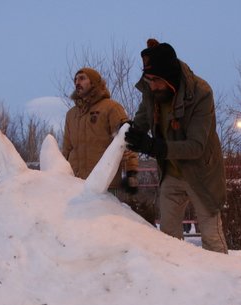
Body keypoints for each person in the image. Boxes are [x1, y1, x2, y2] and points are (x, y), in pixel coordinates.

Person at [125, 39, 228, 253]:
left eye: (156, 80)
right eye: (148, 79)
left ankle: (222, 283)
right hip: (171, 174)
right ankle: (176, 284)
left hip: (202, 174)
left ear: (169, 77)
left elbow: (195, 146)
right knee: (168, 243)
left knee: (212, 240)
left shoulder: (200, 93)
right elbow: (143, 119)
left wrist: (154, 147)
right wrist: (129, 132)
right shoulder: (151, 89)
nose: (151, 86)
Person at [62, 67, 139, 194]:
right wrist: (59, 173)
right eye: (75, 79)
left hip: (106, 185)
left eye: (82, 78)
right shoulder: (71, 114)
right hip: (75, 184)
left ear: (93, 82)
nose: (77, 82)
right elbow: (67, 148)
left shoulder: (111, 108)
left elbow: (127, 141)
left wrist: (131, 173)